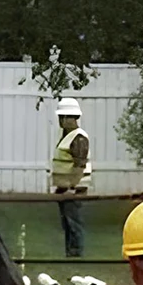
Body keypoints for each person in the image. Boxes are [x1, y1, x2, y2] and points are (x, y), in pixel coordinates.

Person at [50, 97, 92, 258]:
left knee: (74, 222)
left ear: (72, 118)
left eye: (64, 117)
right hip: (65, 187)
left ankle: (76, 252)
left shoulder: (79, 137)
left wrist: (71, 187)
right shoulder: (68, 136)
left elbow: (79, 166)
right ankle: (70, 252)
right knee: (67, 222)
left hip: (73, 188)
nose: (61, 121)